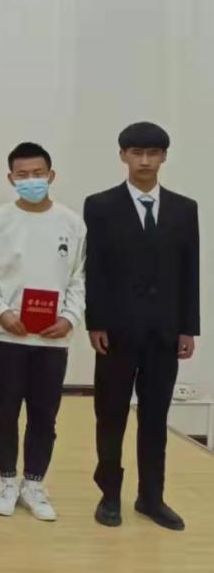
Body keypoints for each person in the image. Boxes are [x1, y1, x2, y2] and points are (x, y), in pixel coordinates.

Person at [85, 122, 199, 532]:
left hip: (164, 333)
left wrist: (188, 327)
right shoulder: (100, 205)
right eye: (137, 153)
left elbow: (190, 270)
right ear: (123, 156)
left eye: (153, 153)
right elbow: (94, 268)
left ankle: (151, 497)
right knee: (110, 415)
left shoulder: (184, 209)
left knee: (155, 418)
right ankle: (109, 494)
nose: (145, 161)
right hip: (116, 331)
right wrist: (95, 321)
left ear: (164, 157)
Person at [0, 142, 86, 522]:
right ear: (11, 179)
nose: (31, 180)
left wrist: (69, 317)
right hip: (6, 336)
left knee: (44, 415)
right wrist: (2, 313)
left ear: (51, 175)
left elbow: (79, 277)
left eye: (38, 174)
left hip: (53, 339)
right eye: (22, 175)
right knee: (4, 413)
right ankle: (7, 481)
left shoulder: (71, 223)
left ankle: (34, 484)